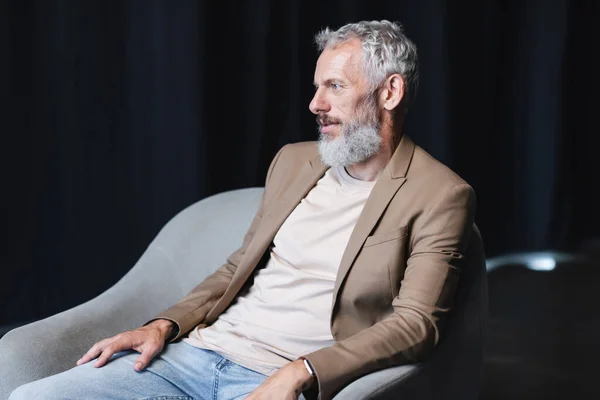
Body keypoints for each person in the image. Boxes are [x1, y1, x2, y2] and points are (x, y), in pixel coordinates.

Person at [10, 20, 482, 400]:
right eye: (317, 87)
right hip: (192, 357)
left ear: (390, 92)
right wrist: (163, 324)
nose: (315, 103)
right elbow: (241, 264)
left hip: (277, 380)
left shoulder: (440, 194)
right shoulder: (296, 161)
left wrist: (303, 371)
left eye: (334, 86)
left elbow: (417, 324)